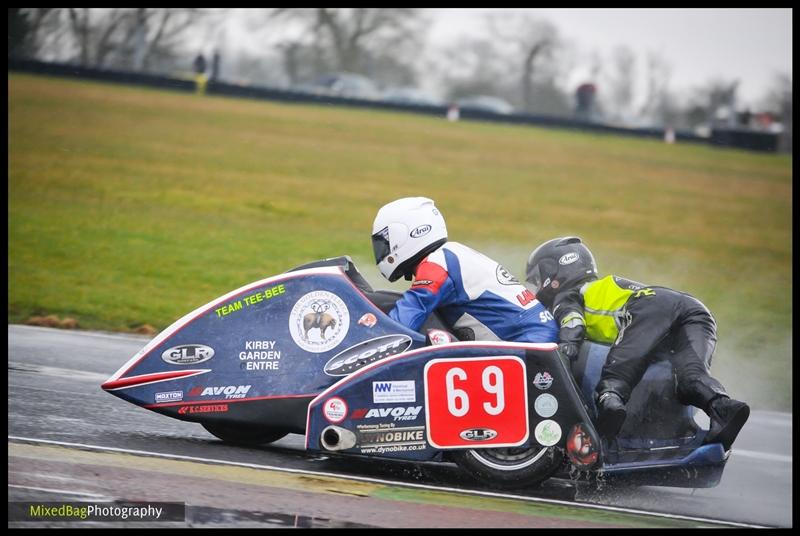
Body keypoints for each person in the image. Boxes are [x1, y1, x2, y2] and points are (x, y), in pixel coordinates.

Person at [524, 236, 750, 450]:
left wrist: (565, 349)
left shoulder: (570, 295)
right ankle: (723, 410)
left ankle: (609, 412)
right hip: (695, 311)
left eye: (536, 278)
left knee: (619, 370)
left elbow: (573, 323)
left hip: (650, 305)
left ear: (554, 275)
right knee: (690, 379)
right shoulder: (602, 288)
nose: (536, 288)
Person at [370, 197, 558, 343]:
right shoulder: (451, 255)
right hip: (534, 338)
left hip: (531, 344)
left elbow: (404, 320)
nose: (382, 251)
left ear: (406, 233)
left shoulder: (437, 264)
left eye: (384, 243)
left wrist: (369, 334)